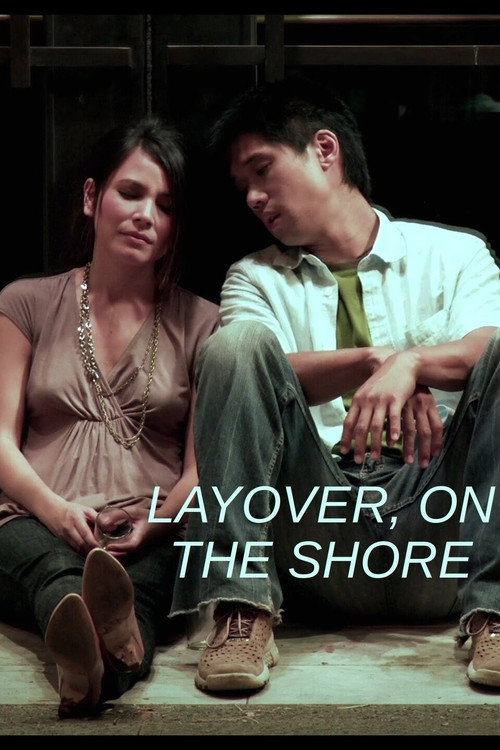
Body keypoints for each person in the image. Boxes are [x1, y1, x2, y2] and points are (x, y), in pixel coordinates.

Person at [169, 75, 500, 694]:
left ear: (325, 149)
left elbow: (489, 344)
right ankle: (242, 609)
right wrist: (374, 360)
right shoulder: (254, 278)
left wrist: (413, 364)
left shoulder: (455, 255)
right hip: (316, 533)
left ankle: (497, 613)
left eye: (262, 170)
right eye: (244, 187)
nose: (253, 198)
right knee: (235, 346)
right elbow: (254, 373)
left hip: (442, 528)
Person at [0, 115, 219, 717]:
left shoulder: (205, 323)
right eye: (131, 192)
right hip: (30, 518)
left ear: (176, 229)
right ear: (93, 197)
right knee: (54, 570)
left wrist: (157, 521)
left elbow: (200, 470)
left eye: (166, 206)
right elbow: (0, 440)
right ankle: (96, 653)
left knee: (132, 592)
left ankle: (84, 671)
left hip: (148, 529)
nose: (146, 215)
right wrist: (55, 511)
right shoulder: (25, 302)